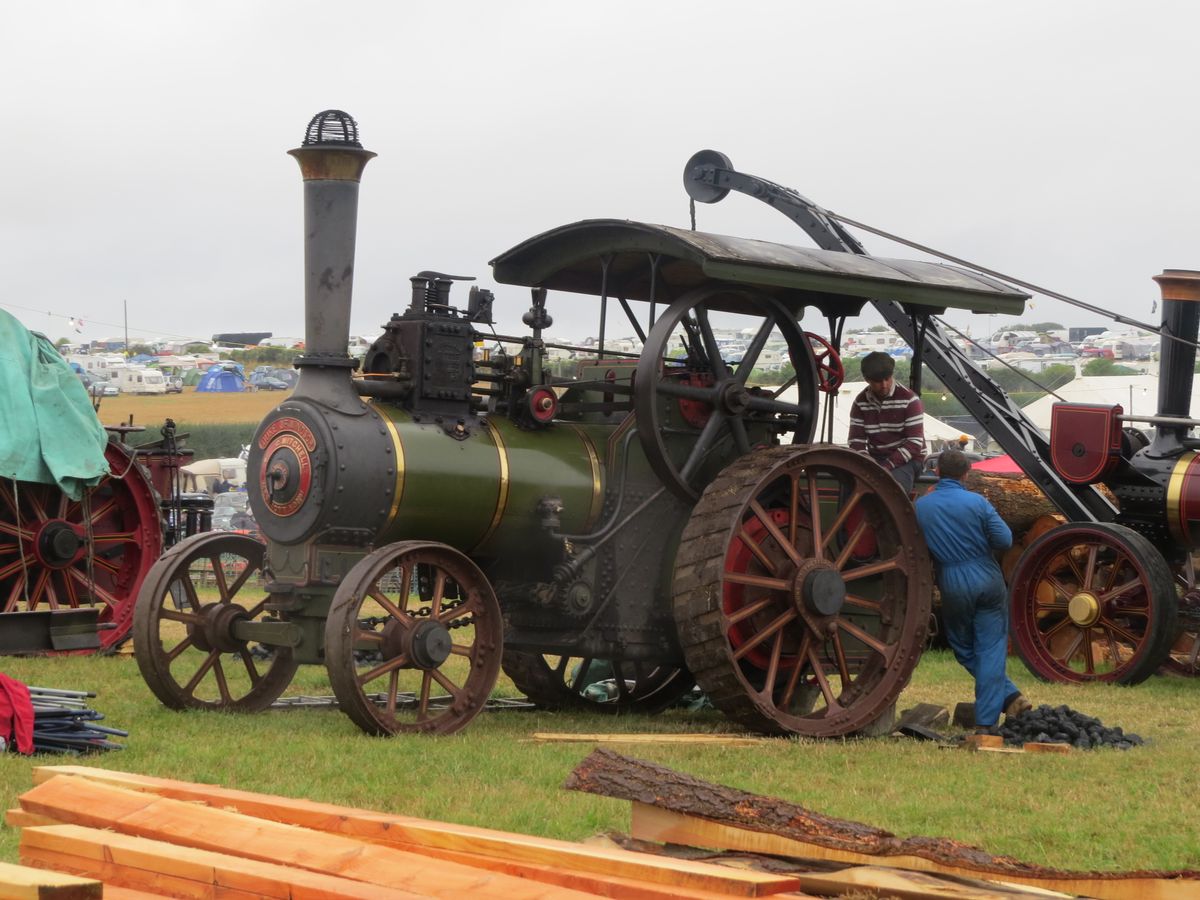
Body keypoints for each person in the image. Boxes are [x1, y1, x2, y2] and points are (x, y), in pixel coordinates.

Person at [914, 449, 1030, 734]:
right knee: (990, 648)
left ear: (937, 471)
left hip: (952, 580)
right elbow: (1004, 539)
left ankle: (1005, 702)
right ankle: (994, 714)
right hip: (986, 576)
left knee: (963, 648)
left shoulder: (922, 506)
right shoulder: (978, 502)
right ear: (966, 474)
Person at [847, 352, 926, 492]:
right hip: (876, 459)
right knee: (850, 483)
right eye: (878, 381)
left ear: (892, 375)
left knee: (893, 488)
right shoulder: (860, 403)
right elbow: (856, 440)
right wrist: (868, 463)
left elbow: (914, 443)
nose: (884, 385)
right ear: (867, 380)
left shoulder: (910, 400)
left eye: (887, 379)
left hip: (910, 460)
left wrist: (886, 467)